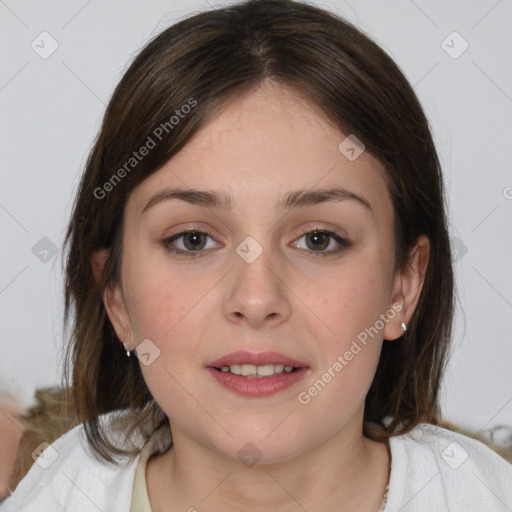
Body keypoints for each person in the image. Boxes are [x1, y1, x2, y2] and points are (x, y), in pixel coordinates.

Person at [2, 0, 511, 510]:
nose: (256, 298)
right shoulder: (52, 492)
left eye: (318, 239)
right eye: (193, 240)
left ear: (403, 287)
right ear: (116, 299)